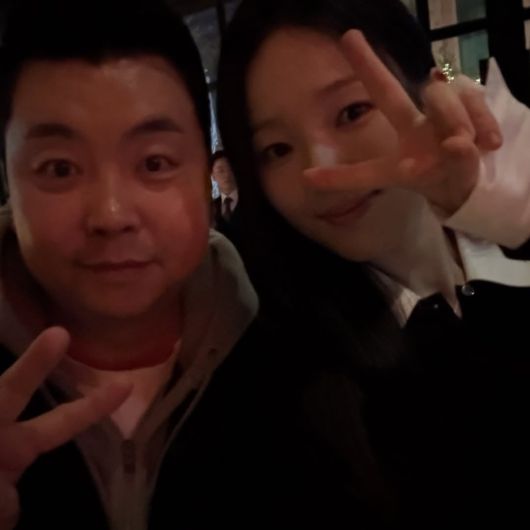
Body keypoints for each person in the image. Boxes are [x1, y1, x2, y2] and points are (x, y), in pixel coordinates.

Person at [0, 1, 324, 528]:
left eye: (154, 163)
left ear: (206, 172)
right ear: (8, 180)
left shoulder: (303, 352)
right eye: (59, 168)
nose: (111, 216)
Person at [217, 0, 530, 527]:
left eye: (351, 113)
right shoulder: (274, 384)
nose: (320, 171)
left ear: (431, 91)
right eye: (276, 149)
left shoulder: (515, 242)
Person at [210, 150, 238, 232]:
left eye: (231, 169)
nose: (227, 175)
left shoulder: (252, 201)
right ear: (213, 175)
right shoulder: (212, 208)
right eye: (220, 171)